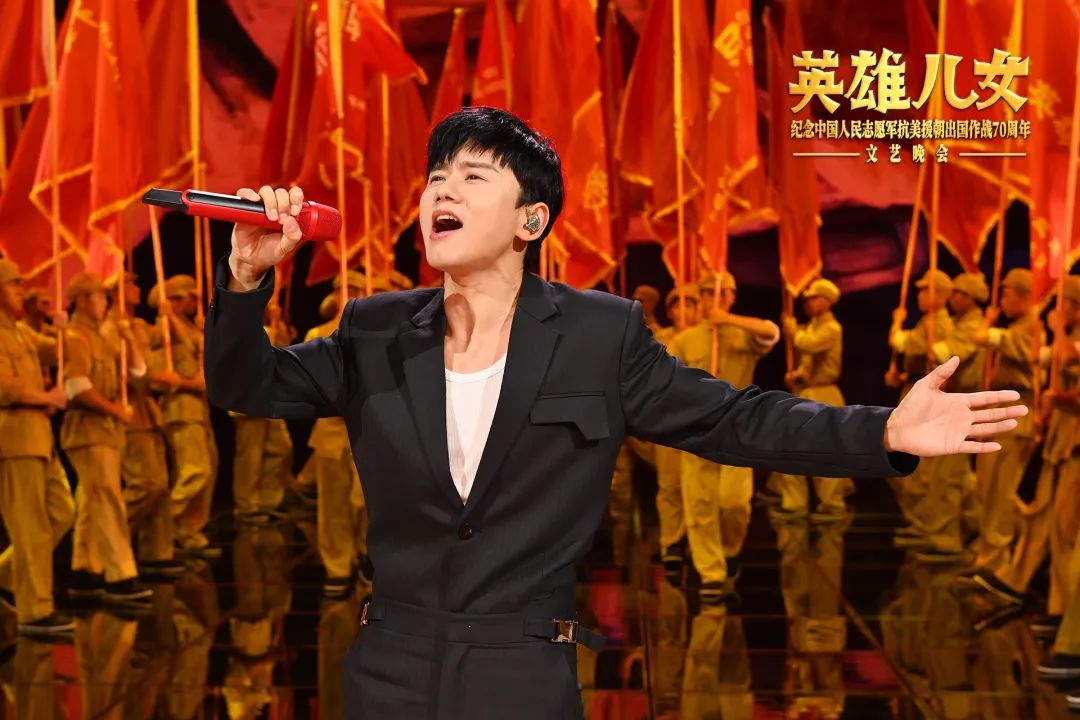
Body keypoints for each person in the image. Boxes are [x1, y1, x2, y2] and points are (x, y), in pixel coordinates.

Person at [205, 107, 1025, 719]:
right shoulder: (375, 329)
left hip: (523, 675)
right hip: (389, 668)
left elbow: (734, 420)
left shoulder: (600, 335)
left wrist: (883, 431)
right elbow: (247, 387)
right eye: (435, 178)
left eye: (473, 176)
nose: (442, 190)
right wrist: (245, 281)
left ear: (531, 220)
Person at [670, 271, 779, 602]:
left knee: (734, 502)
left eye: (720, 294)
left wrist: (727, 319)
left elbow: (771, 332)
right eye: (707, 294)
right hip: (696, 428)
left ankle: (730, 551)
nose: (713, 300)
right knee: (700, 502)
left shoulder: (744, 333)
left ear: (731, 297)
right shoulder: (686, 340)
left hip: (736, 427)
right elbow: (666, 377)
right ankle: (711, 573)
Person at [61, 272, 153, 604]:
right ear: (81, 301)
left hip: (108, 431)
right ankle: (121, 574)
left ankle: (85, 568)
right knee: (108, 499)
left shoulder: (104, 336)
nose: (106, 301)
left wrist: (129, 339)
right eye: (99, 296)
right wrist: (115, 410)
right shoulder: (75, 337)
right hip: (87, 430)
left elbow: (139, 374)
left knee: (92, 499)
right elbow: (77, 387)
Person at [0, 259, 75, 635]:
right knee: (30, 527)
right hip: (15, 438)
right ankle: (35, 611)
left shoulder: (19, 332)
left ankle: (5, 576)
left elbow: (56, 352)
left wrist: (61, 330)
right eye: (13, 285)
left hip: (39, 437)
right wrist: (46, 396)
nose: (20, 291)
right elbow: (5, 387)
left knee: (62, 512)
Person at [771, 278, 850, 523]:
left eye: (814, 298)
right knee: (792, 448)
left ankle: (832, 503)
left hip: (824, 393)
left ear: (827, 301)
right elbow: (806, 360)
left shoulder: (831, 328)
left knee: (826, 451)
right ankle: (794, 502)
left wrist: (792, 330)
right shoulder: (810, 327)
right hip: (806, 392)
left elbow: (809, 345)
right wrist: (796, 375)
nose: (809, 302)